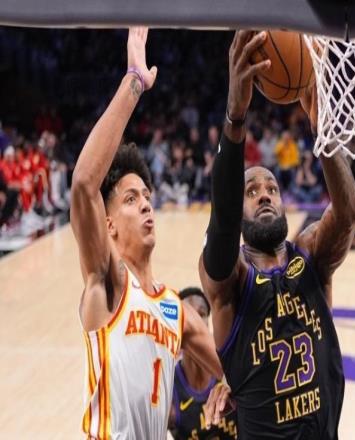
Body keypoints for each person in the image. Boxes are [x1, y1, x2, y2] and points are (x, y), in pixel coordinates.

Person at [199, 31, 355, 439]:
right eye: (251, 191)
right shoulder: (233, 281)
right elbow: (221, 227)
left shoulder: (309, 255)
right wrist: (235, 118)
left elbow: (348, 213)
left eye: (271, 188)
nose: (265, 195)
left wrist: (324, 132)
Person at [70, 28, 223, 439]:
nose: (145, 204)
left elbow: (234, 368)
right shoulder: (108, 280)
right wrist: (134, 81)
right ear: (108, 224)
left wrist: (229, 383)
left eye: (147, 197)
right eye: (130, 198)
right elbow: (84, 184)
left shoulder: (175, 309)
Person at [170, 287, 238, 439]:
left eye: (201, 314)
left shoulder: (230, 370)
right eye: (189, 316)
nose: (196, 322)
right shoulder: (169, 388)